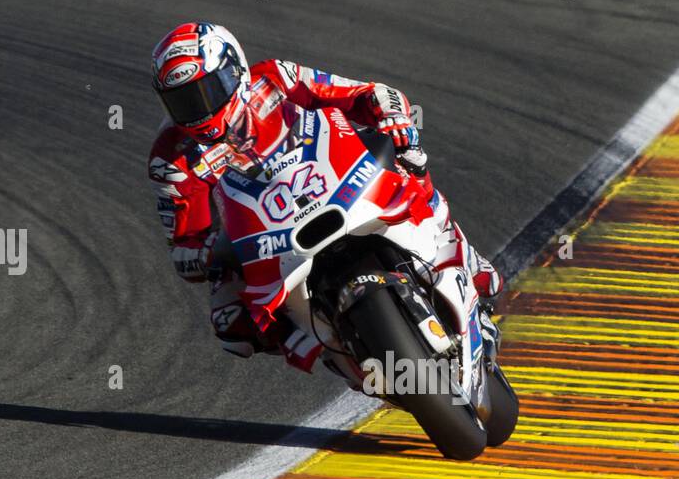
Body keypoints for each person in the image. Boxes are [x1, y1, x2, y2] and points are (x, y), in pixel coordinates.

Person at [147, 21, 501, 370]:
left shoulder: (274, 79)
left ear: (234, 71)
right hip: (266, 238)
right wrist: (215, 252)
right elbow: (184, 251)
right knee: (229, 320)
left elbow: (364, 93)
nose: (199, 111)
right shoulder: (171, 158)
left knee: (409, 157)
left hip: (335, 181)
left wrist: (393, 117)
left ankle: (458, 253)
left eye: (207, 91)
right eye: (184, 102)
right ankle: (331, 348)